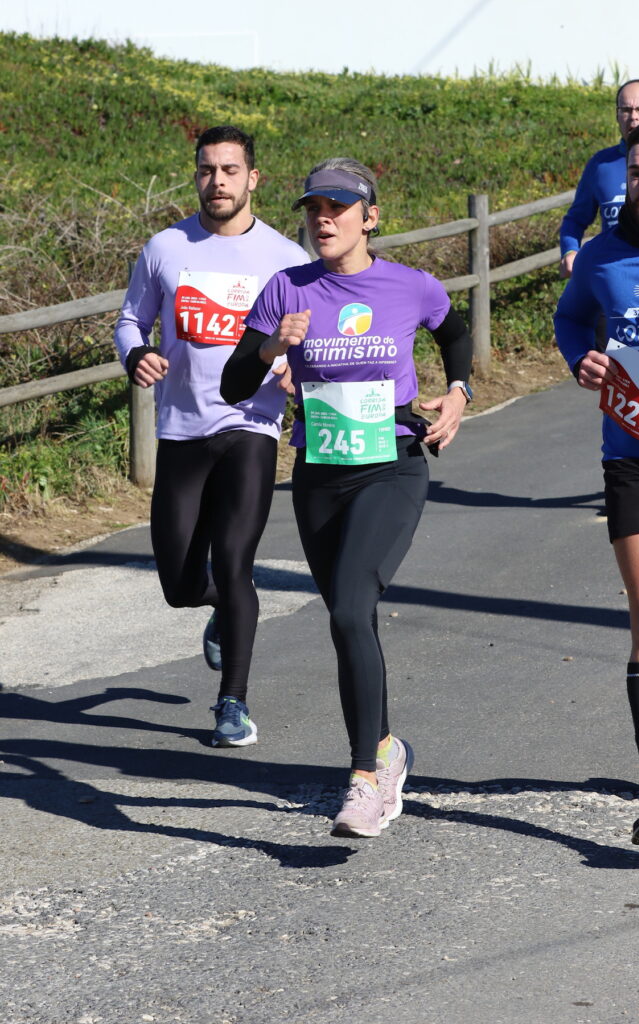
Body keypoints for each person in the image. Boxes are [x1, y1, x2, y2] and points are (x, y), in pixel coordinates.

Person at [220, 158, 473, 838]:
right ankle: (387, 750)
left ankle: (364, 778)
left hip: (391, 466)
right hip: (318, 473)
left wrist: (457, 393)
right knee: (346, 620)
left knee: (352, 609)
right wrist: (272, 343)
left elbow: (454, 332)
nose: (322, 218)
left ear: (370, 217)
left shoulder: (409, 286)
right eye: (313, 207)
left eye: (338, 206)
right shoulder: (285, 289)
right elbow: (232, 383)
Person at [114, 125, 309, 748]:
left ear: (253, 178)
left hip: (251, 425)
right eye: (206, 170)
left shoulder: (286, 259)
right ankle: (222, 608)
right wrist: (136, 354)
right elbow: (129, 320)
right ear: (195, 175)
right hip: (181, 429)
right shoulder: (166, 248)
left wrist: (292, 370)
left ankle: (233, 703)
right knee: (178, 585)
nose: (217, 181)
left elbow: (313, 337)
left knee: (234, 561)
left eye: (230, 170)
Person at [554, 118, 639, 847]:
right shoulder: (600, 256)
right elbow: (570, 321)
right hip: (638, 454)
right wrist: (584, 362)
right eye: (636, 173)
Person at [559, 80, 639, 279]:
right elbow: (575, 220)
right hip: (613, 281)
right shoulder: (600, 165)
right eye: (625, 109)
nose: (633, 117)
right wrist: (570, 251)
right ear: (617, 114)